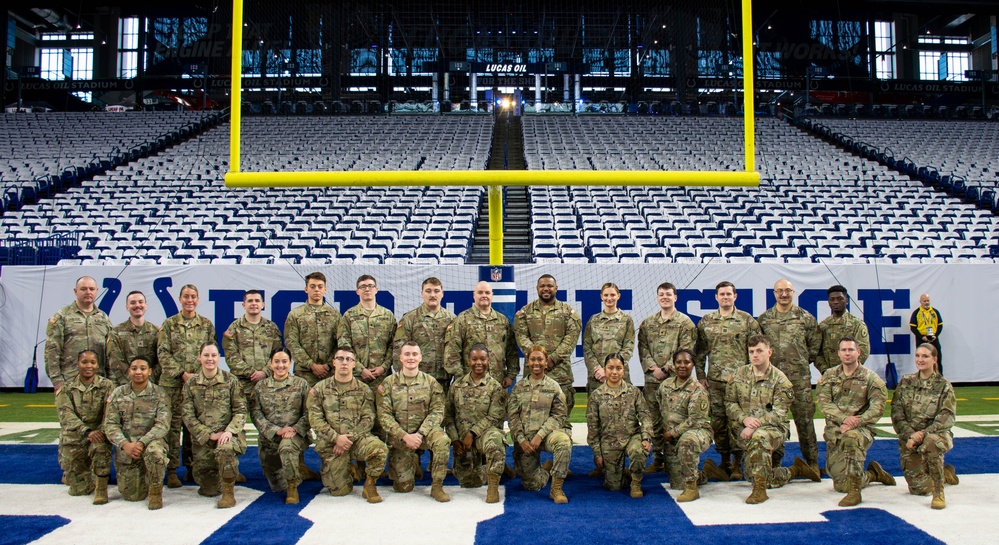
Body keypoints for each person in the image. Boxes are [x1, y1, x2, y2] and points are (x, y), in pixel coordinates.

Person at [725, 335, 821, 504]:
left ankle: (759, 490)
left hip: (773, 429)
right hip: (745, 428)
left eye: (759, 351)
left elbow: (779, 413)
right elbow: (730, 402)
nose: (755, 355)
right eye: (752, 351)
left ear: (769, 352)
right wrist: (744, 419)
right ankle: (795, 470)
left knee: (759, 438)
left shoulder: (780, 380)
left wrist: (755, 424)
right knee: (750, 474)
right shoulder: (739, 375)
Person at [817, 336, 896, 507]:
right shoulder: (829, 376)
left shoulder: (872, 379)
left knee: (852, 438)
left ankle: (855, 492)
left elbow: (877, 408)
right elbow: (824, 403)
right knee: (839, 482)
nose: (847, 353)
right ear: (838, 353)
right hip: (836, 431)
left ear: (858, 352)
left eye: (851, 350)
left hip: (860, 431)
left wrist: (855, 423)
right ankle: (872, 475)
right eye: (844, 350)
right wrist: (844, 419)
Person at [695, 281, 762, 480]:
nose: (725, 297)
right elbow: (699, 353)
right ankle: (724, 461)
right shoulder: (706, 321)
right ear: (716, 297)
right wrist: (700, 376)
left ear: (735, 296)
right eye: (721, 294)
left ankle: (738, 464)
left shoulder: (746, 320)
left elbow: (756, 351)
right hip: (715, 381)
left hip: (740, 383)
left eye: (728, 294)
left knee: (739, 422)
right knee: (718, 423)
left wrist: (755, 376)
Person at [756, 279, 821, 472]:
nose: (784, 294)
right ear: (774, 293)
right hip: (772, 382)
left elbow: (814, 345)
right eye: (779, 291)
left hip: (799, 380)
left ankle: (812, 462)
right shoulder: (764, 319)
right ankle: (775, 462)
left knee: (805, 422)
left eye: (788, 291)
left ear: (793, 292)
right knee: (774, 421)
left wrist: (799, 362)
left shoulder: (805, 318)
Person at [307, 346, 387, 503]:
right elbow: (315, 419)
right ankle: (349, 469)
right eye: (340, 359)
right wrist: (336, 438)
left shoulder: (363, 390)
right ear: (334, 362)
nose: (344, 362)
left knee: (379, 449)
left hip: (356, 440)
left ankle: (370, 484)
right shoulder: (320, 389)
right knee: (340, 491)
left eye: (348, 359)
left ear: (354, 364)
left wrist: (348, 438)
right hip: (332, 444)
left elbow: (368, 418)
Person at [157, 284, 217, 488]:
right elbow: (163, 353)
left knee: (195, 426)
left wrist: (200, 375)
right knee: (172, 427)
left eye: (193, 296)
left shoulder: (206, 325)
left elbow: (211, 352)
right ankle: (172, 470)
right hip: (173, 385)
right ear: (180, 299)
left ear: (198, 300)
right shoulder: (169, 324)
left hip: (198, 385)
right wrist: (182, 374)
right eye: (185, 296)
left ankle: (193, 468)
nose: (189, 300)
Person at [377, 341, 451, 502]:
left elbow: (438, 411)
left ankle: (437, 486)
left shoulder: (431, 383)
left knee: (442, 440)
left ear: (420, 358)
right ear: (400, 358)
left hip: (424, 435)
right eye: (407, 354)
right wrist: (404, 436)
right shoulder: (388, 384)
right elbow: (384, 415)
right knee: (403, 488)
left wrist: (420, 433)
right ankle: (412, 460)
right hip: (400, 439)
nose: (411, 358)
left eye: (414, 354)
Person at [637, 281, 697, 474]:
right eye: (661, 294)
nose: (665, 297)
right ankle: (659, 459)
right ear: (657, 297)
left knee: (675, 419)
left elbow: (686, 350)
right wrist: (652, 368)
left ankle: (677, 459)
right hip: (653, 381)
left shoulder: (685, 323)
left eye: (668, 294)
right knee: (654, 419)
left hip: (676, 381)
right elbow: (643, 348)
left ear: (675, 297)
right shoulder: (648, 323)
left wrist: (667, 368)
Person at [891, 343, 958, 509]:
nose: (920, 359)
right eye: (918, 356)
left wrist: (923, 434)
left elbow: (946, 416)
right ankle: (947, 474)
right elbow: (897, 412)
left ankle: (939, 491)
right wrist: (910, 435)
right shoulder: (906, 382)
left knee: (931, 443)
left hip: (935, 435)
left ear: (934, 359)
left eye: (925, 356)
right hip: (910, 438)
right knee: (918, 488)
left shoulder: (943, 386)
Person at [513, 274, 582, 434]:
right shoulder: (524, 313)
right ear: (537, 289)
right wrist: (538, 360)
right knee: (529, 423)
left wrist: (552, 359)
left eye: (549, 286)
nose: (546, 288)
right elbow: (521, 337)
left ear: (556, 288)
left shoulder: (569, 313)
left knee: (562, 423)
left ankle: (560, 453)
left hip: (560, 375)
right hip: (532, 377)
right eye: (542, 286)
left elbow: (570, 340)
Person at [182, 342, 246, 508]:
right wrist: (208, 435)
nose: (209, 359)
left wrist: (229, 432)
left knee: (225, 450)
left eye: (213, 355)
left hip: (226, 436)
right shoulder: (191, 384)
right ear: (199, 357)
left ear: (218, 357)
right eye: (206, 355)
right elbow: (188, 415)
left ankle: (228, 493)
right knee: (208, 489)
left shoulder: (231, 381)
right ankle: (228, 472)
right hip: (204, 440)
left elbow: (240, 411)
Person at [102, 357, 171, 509]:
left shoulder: (159, 394)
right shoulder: (118, 394)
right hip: (127, 450)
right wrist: (125, 444)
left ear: (150, 371)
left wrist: (142, 442)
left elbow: (163, 425)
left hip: (150, 444)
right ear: (129, 371)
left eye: (142, 368)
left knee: (156, 452)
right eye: (134, 368)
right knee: (132, 496)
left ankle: (155, 492)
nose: (138, 371)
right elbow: (110, 424)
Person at [507, 345, 572, 504]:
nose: (536, 363)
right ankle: (548, 469)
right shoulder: (518, 388)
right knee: (532, 485)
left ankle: (556, 488)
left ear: (546, 362)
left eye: (540, 359)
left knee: (563, 442)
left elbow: (559, 415)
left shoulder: (554, 386)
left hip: (546, 436)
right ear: (528, 363)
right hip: (526, 441)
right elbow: (513, 417)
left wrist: (540, 435)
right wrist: (521, 440)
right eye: (533, 359)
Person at [444, 344, 506, 503]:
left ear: (488, 361)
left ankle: (493, 486)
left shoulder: (495, 387)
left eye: (483, 359)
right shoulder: (456, 386)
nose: (479, 363)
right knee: (469, 482)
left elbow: (494, 416)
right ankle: (497, 467)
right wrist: (455, 440)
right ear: (468, 361)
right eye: (474, 359)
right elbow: (448, 415)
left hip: (483, 436)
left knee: (496, 441)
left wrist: (472, 433)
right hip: (463, 441)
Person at [585, 353, 652, 498]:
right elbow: (592, 427)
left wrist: (646, 437)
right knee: (614, 486)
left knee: (638, 451)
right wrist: (597, 453)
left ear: (624, 370)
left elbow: (645, 416)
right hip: (609, 442)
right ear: (605, 369)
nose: (614, 372)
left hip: (631, 437)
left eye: (618, 368)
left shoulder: (634, 392)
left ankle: (636, 482)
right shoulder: (596, 396)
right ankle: (621, 472)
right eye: (610, 368)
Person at [250, 347, 311, 504]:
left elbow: (309, 412)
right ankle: (293, 473)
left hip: (294, 436)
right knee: (277, 486)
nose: (280, 365)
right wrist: (276, 431)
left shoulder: (301, 384)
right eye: (276, 361)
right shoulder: (260, 387)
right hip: (269, 439)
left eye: (284, 361)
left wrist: (295, 429)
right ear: (270, 364)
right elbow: (256, 414)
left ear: (290, 363)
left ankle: (293, 489)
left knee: (287, 447)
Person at [658, 349, 720, 502]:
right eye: (679, 362)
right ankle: (707, 471)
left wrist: (673, 433)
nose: (682, 366)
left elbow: (695, 420)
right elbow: (661, 412)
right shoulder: (664, 386)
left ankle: (692, 487)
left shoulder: (698, 390)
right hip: (672, 438)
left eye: (687, 362)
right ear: (673, 364)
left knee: (687, 442)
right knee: (677, 484)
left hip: (695, 432)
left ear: (693, 365)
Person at [55, 349, 114, 502]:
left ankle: (100, 483)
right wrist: (86, 431)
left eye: (93, 362)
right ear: (77, 364)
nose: (89, 366)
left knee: (100, 448)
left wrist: (100, 431)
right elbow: (66, 415)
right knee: (78, 491)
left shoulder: (107, 386)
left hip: (98, 435)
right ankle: (78, 473)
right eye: (84, 362)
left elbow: (111, 413)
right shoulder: (67, 388)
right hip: (76, 437)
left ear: (97, 365)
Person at [444, 281, 519, 388]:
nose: (484, 295)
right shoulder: (462, 320)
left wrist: (511, 375)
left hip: (497, 383)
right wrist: (462, 378)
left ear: (492, 295)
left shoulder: (502, 321)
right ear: (474, 295)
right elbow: (452, 353)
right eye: (480, 292)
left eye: (487, 293)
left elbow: (511, 351)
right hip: (470, 385)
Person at [45, 276, 113, 394]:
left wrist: (111, 380)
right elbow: (52, 350)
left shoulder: (103, 318)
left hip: (99, 382)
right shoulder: (62, 317)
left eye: (91, 289)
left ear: (96, 291)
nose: (88, 292)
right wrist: (57, 381)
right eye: (83, 289)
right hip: (70, 380)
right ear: (75, 291)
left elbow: (110, 352)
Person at [392, 277, 457, 392]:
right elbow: (398, 351)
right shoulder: (409, 319)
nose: (432, 295)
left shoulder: (452, 319)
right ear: (422, 294)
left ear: (442, 294)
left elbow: (456, 350)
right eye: (428, 291)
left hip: (443, 382)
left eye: (436, 291)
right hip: (416, 381)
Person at [222, 290, 283, 409]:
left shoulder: (272, 328)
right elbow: (231, 356)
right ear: (244, 305)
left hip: (267, 384)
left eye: (257, 301)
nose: (254, 303)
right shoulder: (234, 328)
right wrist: (252, 373)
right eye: (250, 301)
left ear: (263, 304)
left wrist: (265, 372)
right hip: (241, 385)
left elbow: (278, 355)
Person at [339, 275, 397, 390]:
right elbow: (344, 345)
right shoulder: (349, 316)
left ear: (376, 290)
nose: (367, 289)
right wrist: (360, 369)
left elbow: (394, 345)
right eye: (363, 287)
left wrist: (383, 367)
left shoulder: (387, 315)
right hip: (356, 377)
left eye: (370, 286)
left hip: (383, 378)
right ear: (357, 291)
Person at [285, 271, 342, 387]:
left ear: (325, 289)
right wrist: (311, 365)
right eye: (312, 286)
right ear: (306, 289)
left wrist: (328, 365)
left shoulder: (334, 315)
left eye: (320, 287)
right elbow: (291, 343)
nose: (316, 290)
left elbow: (340, 342)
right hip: (304, 373)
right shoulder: (295, 314)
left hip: (329, 372)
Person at [582, 282, 635, 393]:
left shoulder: (626, 320)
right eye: (606, 295)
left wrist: (611, 370)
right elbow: (587, 348)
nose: (609, 298)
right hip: (597, 378)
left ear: (618, 296)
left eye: (612, 295)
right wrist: (598, 369)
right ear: (601, 296)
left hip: (619, 377)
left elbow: (628, 348)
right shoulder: (593, 320)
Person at [106, 290, 160, 386]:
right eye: (132, 303)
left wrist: (147, 382)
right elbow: (115, 361)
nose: (137, 305)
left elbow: (160, 361)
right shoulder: (116, 332)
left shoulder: (156, 332)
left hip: (150, 388)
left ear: (146, 306)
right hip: (123, 388)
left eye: (140, 302)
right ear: (127, 307)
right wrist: (133, 383)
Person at [815, 285, 871, 373]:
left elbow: (863, 350)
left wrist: (848, 370)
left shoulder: (857, 324)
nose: (836, 302)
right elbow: (817, 352)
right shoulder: (823, 325)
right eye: (832, 299)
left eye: (840, 298)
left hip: (851, 373)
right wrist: (825, 371)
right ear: (828, 302)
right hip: (830, 376)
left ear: (846, 301)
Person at [909, 294, 944, 376]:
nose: (926, 302)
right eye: (924, 301)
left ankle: (939, 379)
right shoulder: (916, 312)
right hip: (922, 339)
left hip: (934, 338)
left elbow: (940, 325)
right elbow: (913, 328)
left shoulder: (935, 312)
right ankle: (923, 378)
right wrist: (922, 337)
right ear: (920, 302)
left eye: (928, 300)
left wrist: (936, 335)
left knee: (937, 359)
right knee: (922, 361)